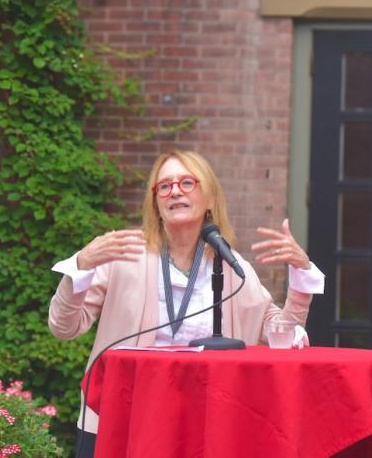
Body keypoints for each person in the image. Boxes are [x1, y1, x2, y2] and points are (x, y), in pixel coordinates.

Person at [47, 150, 324, 456]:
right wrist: (81, 266)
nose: (175, 190)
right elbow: (64, 327)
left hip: (200, 423)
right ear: (156, 203)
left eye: (187, 182)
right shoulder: (122, 254)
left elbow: (282, 332)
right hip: (124, 417)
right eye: (164, 186)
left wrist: (301, 276)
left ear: (210, 199)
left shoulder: (230, 266)